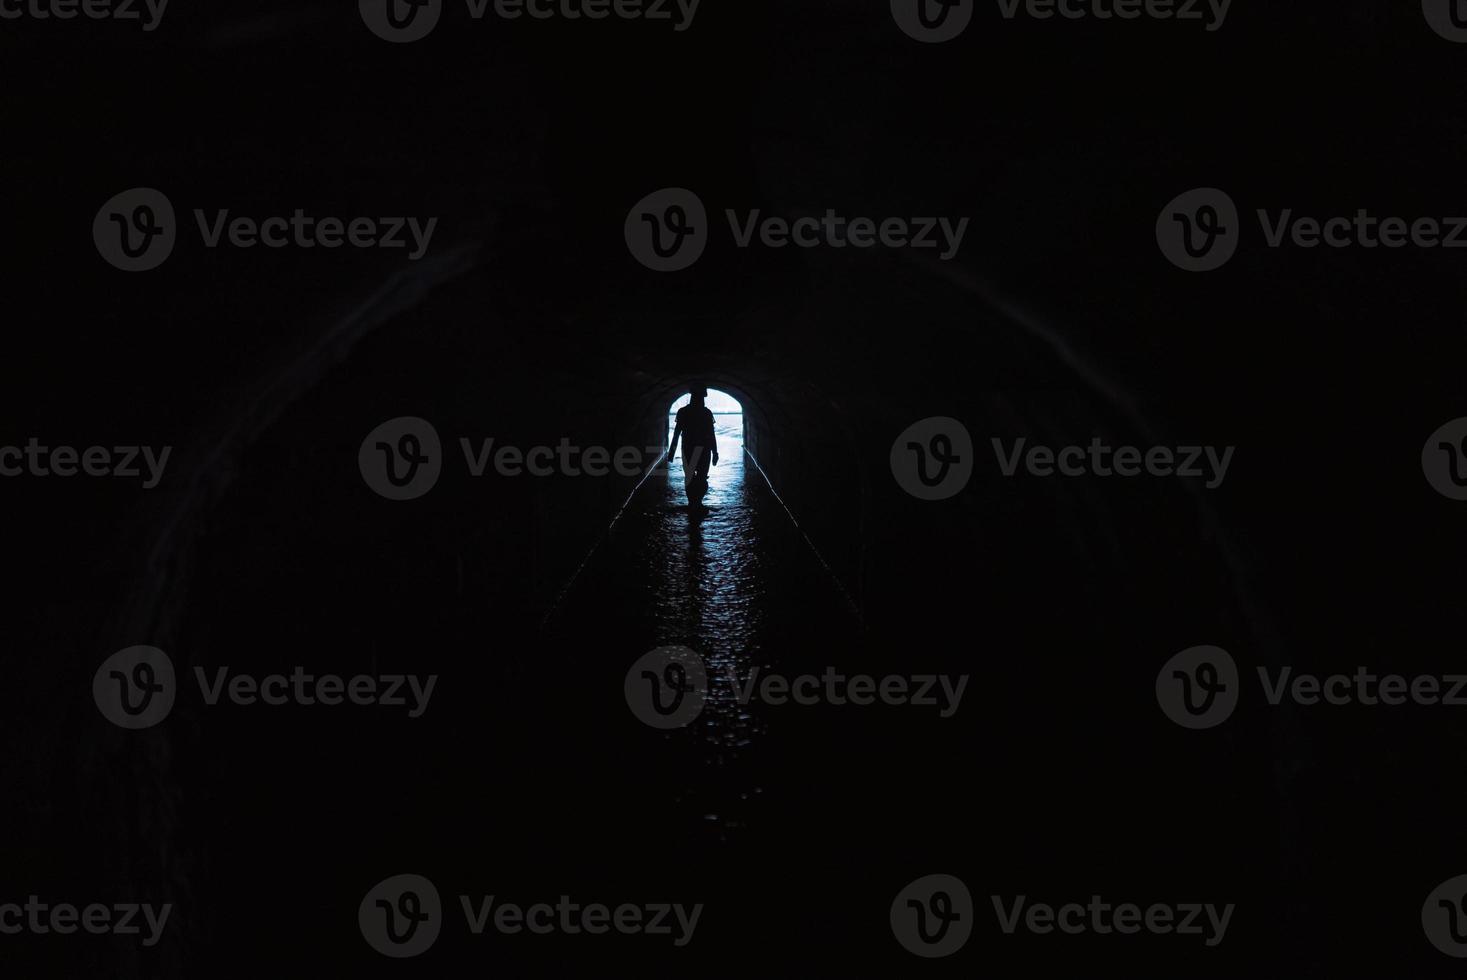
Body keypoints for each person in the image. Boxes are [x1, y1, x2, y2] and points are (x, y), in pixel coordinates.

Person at [668, 385, 718, 502]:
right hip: (704, 450)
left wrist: (671, 452)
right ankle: (698, 502)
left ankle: (692, 502)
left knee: (689, 477)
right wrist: (715, 452)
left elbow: (676, 433)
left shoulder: (683, 412)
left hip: (688, 448)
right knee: (702, 477)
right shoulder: (706, 413)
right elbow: (711, 435)